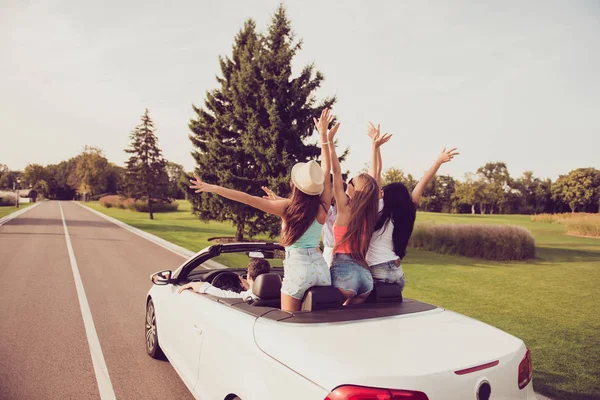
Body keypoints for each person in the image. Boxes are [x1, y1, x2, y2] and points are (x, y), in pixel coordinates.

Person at [190, 109, 338, 312]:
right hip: (321, 270)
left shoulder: (287, 208)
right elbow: (326, 171)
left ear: (295, 185)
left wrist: (211, 187)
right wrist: (323, 137)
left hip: (299, 269)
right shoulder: (323, 207)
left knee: (289, 323)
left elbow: (247, 199)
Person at [366, 121, 458, 288]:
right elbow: (422, 182)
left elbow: (375, 176)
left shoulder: (378, 209)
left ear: (385, 196)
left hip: (377, 271)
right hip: (397, 271)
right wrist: (437, 162)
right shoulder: (406, 212)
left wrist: (375, 146)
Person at [327, 121, 380, 305]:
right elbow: (373, 181)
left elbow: (336, 170)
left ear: (354, 188)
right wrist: (374, 146)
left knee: (330, 318)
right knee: (351, 318)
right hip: (365, 277)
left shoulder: (344, 208)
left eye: (350, 181)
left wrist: (329, 142)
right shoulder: (369, 213)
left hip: (344, 272)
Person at [178, 258, 271, 301]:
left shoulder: (245, 298)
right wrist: (249, 288)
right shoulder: (277, 296)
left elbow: (206, 288)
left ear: (249, 276)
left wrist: (190, 284)